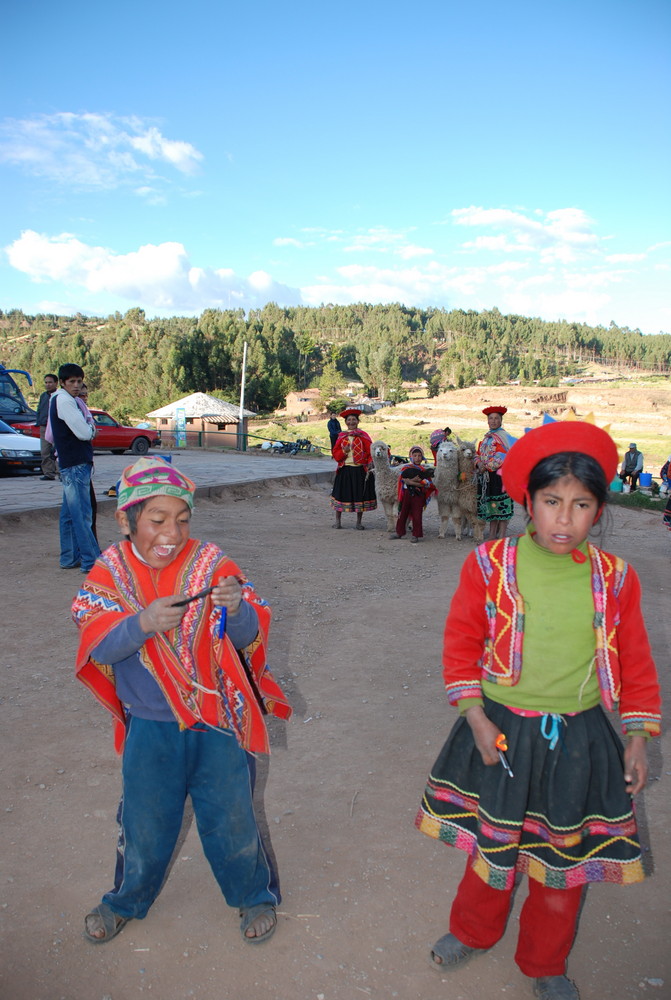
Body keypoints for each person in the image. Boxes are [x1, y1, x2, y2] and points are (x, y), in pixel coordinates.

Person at [416, 421, 661, 1000]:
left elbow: (638, 665)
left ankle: (545, 960)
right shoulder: (489, 565)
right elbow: (461, 644)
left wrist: (636, 737)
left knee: (562, 861)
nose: (563, 519)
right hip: (499, 732)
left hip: (579, 740)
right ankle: (472, 931)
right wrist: (474, 717)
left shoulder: (615, 579)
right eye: (551, 502)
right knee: (491, 850)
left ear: (599, 510)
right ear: (528, 500)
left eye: (581, 505)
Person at [72, 456, 292, 945]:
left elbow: (247, 634)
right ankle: (125, 900)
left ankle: (254, 896)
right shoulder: (109, 572)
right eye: (157, 520)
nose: (172, 532)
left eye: (183, 519)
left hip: (218, 724)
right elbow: (96, 644)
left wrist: (236, 608)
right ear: (125, 519)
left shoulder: (213, 563)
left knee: (232, 817)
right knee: (144, 823)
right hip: (150, 728)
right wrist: (142, 624)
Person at [49, 363, 100, 572]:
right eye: (72, 382)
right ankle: (91, 560)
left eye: (79, 381)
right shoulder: (66, 401)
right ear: (63, 382)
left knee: (70, 514)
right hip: (76, 463)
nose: (77, 385)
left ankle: (70, 557)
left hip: (70, 462)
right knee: (82, 515)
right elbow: (84, 433)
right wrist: (91, 429)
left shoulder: (62, 399)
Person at [330, 408, 377, 530]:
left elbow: (369, 452)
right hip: (345, 469)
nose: (351, 422)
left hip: (359, 470)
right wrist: (344, 452)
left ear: (358, 421)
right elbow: (336, 454)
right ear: (346, 422)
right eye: (349, 420)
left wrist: (370, 462)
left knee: (359, 496)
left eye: (354, 419)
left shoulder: (363, 436)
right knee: (340, 494)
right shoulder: (341, 436)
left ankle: (358, 522)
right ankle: (338, 521)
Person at [475, 405, 516, 539]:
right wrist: (478, 463)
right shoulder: (486, 438)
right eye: (491, 418)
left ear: (501, 420)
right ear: (487, 421)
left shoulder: (503, 437)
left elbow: (502, 456)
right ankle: (492, 535)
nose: (493, 421)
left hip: (500, 477)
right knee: (492, 506)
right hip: (488, 478)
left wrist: (485, 466)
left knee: (502, 507)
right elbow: (478, 453)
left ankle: (502, 536)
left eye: (496, 418)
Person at [391, 445, 436, 543]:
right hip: (407, 494)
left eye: (419, 456)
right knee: (403, 513)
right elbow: (403, 480)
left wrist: (411, 482)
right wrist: (416, 482)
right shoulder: (406, 468)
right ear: (411, 456)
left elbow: (428, 484)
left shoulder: (424, 470)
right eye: (415, 455)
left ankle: (416, 535)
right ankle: (399, 532)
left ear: (422, 457)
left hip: (418, 495)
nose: (417, 458)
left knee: (417, 515)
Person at [76, 382, 99, 543]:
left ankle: (90, 545)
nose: (84, 398)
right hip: (74, 464)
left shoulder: (84, 412)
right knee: (83, 510)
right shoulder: (72, 411)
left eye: (86, 395)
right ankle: (87, 549)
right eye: (81, 395)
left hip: (84, 462)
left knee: (90, 507)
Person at [36, 373, 59, 480]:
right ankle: (48, 473)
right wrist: (39, 421)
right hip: (44, 427)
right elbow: (40, 410)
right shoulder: (43, 396)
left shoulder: (59, 396)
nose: (48, 385)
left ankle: (61, 472)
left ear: (56, 383)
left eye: (50, 382)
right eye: (46, 382)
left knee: (58, 451)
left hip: (56, 426)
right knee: (45, 452)